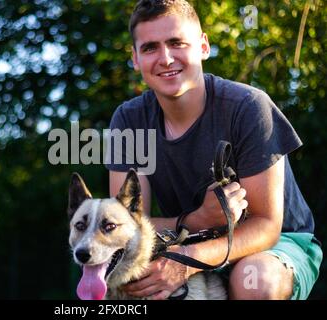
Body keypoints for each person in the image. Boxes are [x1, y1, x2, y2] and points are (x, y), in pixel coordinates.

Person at [105, 0, 322, 300]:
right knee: (129, 280)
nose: (166, 58)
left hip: (271, 244)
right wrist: (196, 222)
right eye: (150, 47)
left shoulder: (248, 107)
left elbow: (267, 226)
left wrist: (185, 261)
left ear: (203, 46)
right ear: (135, 59)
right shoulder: (129, 120)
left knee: (254, 281)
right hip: (185, 239)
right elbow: (126, 226)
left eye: (176, 43)